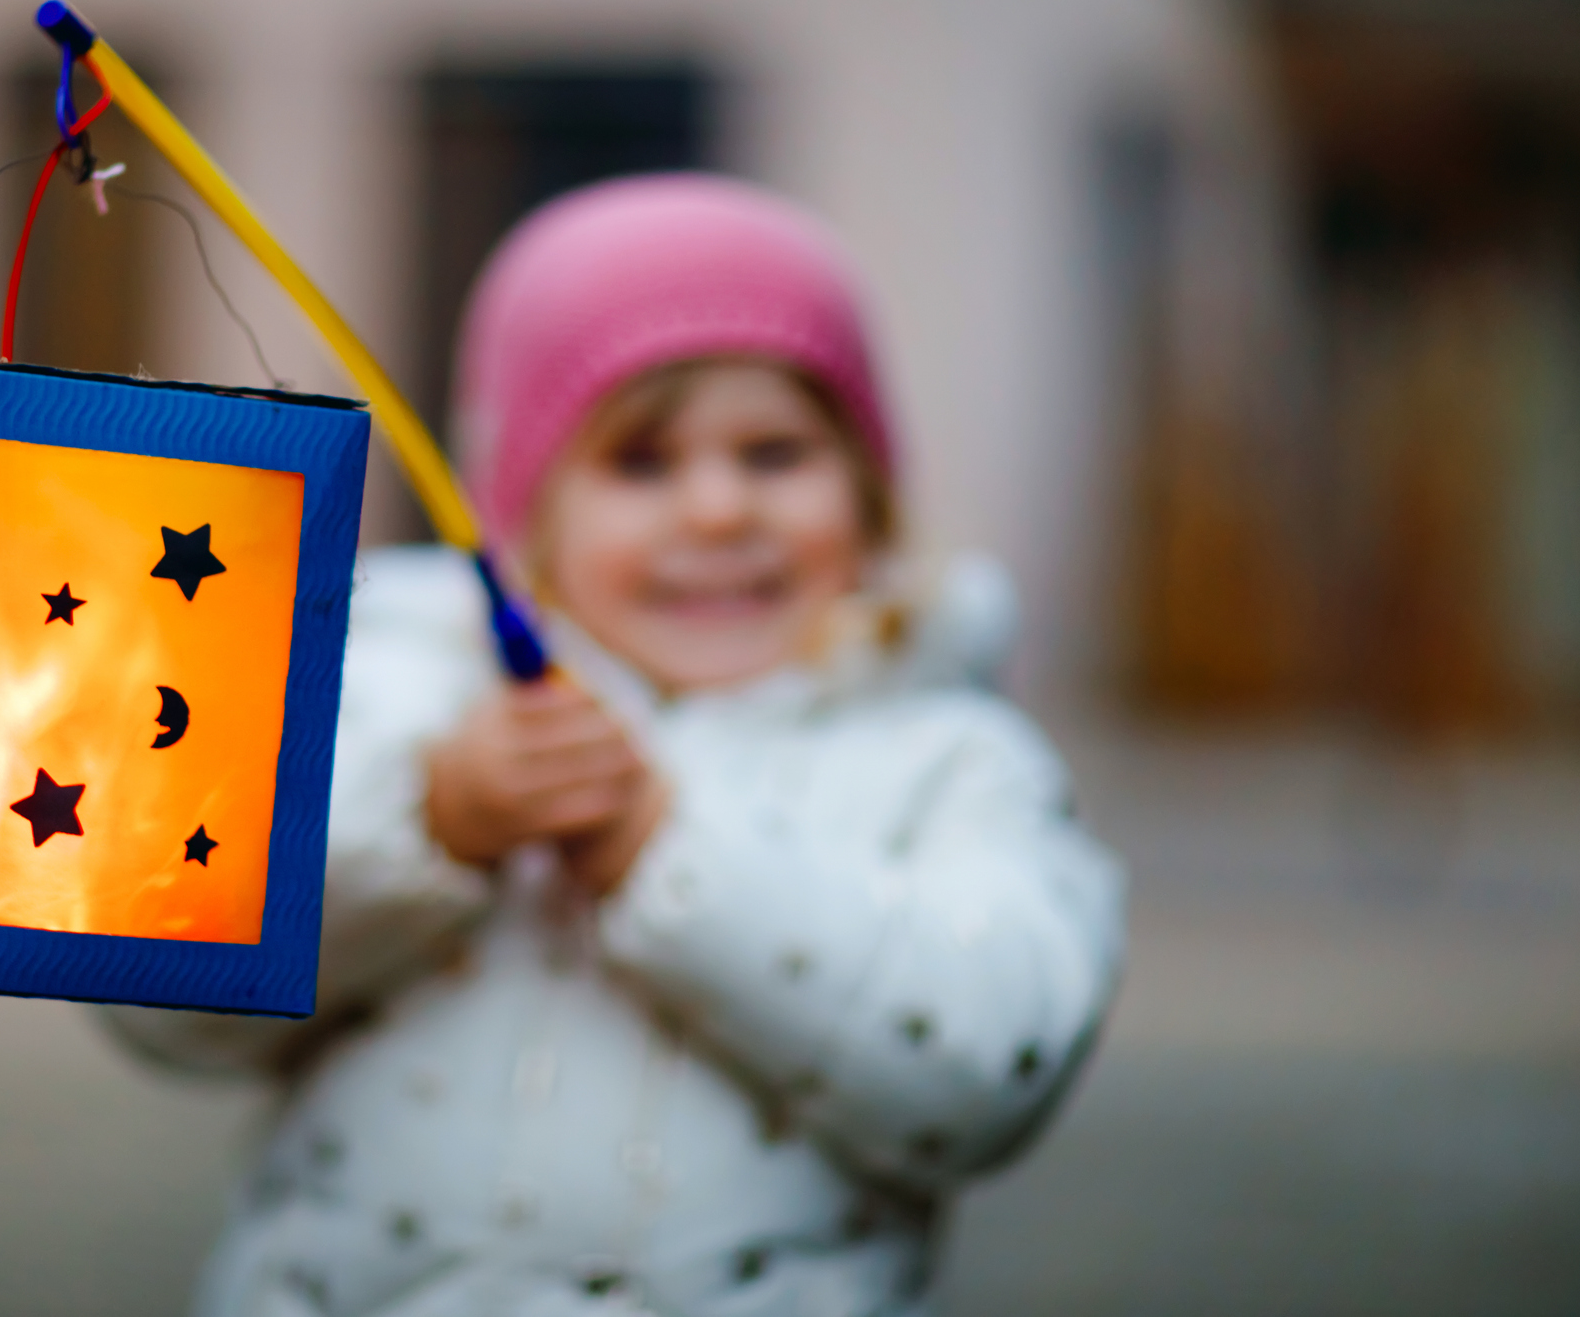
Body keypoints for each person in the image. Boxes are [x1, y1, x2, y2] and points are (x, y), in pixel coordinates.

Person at [106, 174, 1125, 1317]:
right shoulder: (401, 693)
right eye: (641, 461)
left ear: (874, 493)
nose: (717, 510)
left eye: (777, 452)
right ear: (520, 513)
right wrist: (428, 821)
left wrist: (673, 857)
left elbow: (988, 1070)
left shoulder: (945, 757)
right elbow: (162, 987)